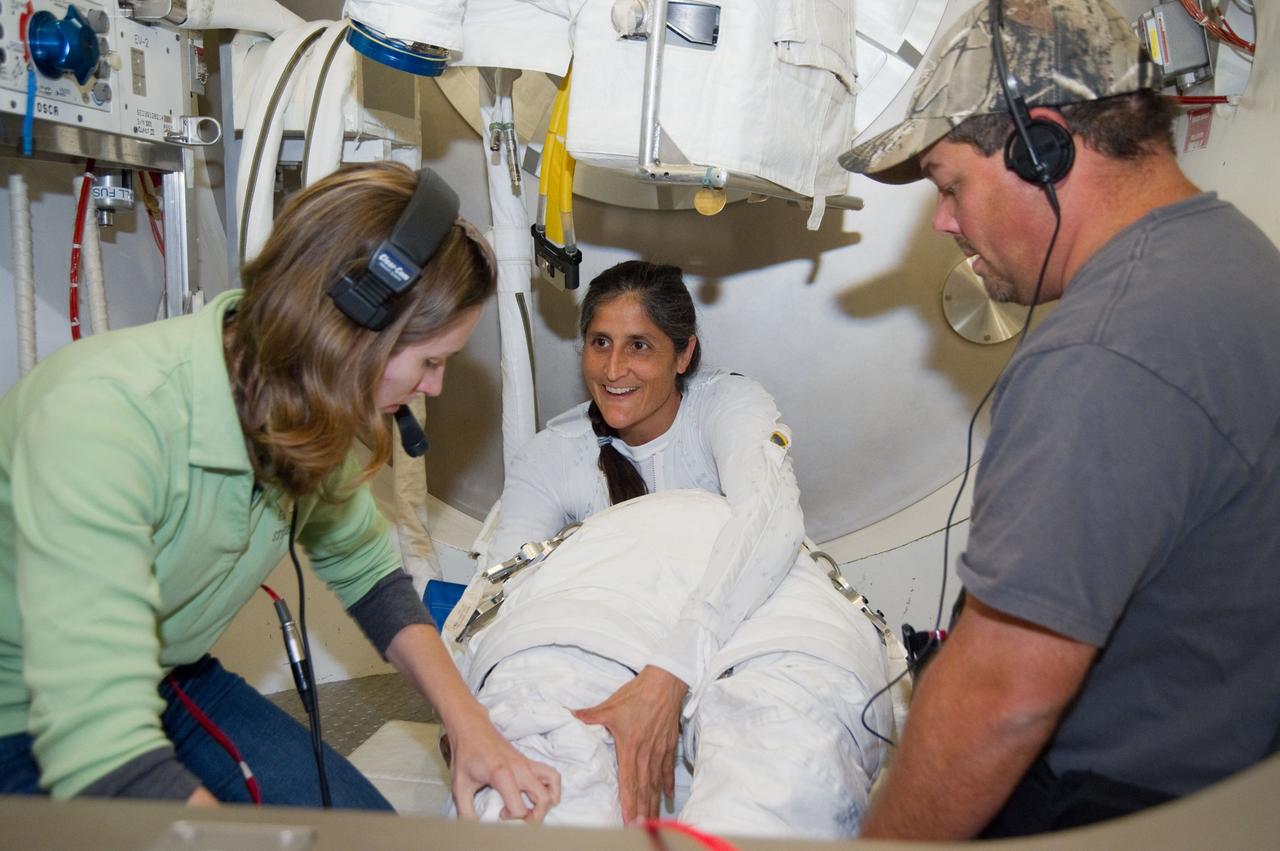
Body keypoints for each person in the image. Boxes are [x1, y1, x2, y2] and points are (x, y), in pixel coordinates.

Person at [840, 0, 1280, 838]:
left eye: (948, 182)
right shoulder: (1235, 260)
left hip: (1113, 805)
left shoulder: (1101, 354)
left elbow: (1000, 701)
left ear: (1039, 147)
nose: (942, 219)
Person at [0, 162, 560, 819]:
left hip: (163, 677)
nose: (433, 388)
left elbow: (370, 575)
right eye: (430, 361)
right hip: (26, 714)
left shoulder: (302, 409)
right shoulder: (101, 419)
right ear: (352, 327)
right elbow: (101, 747)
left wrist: (472, 726)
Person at [466, 260, 905, 837]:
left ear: (684, 354)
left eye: (639, 346)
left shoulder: (727, 406)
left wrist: (670, 674)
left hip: (752, 620)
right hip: (601, 628)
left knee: (786, 746)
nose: (615, 369)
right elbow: (500, 589)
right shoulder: (553, 456)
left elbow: (768, 520)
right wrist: (465, 698)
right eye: (600, 343)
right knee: (545, 742)